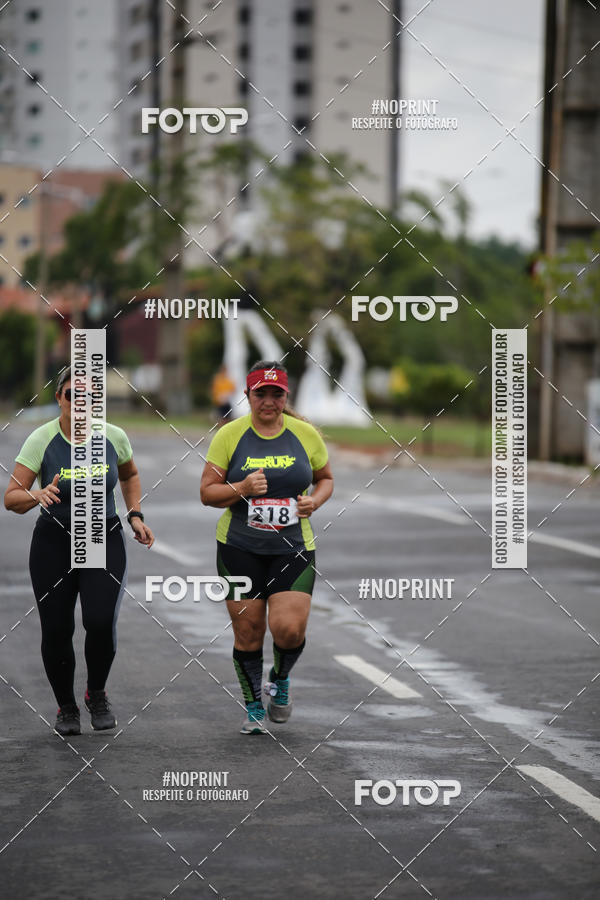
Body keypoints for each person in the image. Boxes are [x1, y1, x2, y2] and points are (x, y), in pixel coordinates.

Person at [4, 367, 155, 737]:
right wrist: (35, 495)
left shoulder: (113, 437)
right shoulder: (42, 440)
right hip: (54, 542)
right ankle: (66, 707)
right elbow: (11, 498)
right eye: (73, 395)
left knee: (100, 622)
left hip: (102, 537)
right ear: (60, 398)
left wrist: (134, 514)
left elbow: (130, 474)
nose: (81, 404)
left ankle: (96, 692)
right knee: (57, 629)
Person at [200, 360, 333, 734]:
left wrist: (315, 502)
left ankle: (280, 676)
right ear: (248, 395)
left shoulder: (305, 434)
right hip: (239, 547)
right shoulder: (229, 435)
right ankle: (254, 706)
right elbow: (207, 493)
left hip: (292, 546)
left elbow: (325, 479)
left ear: (285, 396)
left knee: (288, 629)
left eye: (277, 394)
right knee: (249, 632)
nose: (269, 401)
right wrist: (241, 488)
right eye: (261, 394)